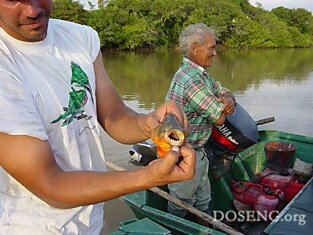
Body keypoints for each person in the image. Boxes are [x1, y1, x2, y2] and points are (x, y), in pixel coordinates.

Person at [0, 1, 196, 234]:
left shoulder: (80, 37)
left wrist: (150, 124)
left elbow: (114, 115)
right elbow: (50, 184)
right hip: (31, 226)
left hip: (90, 216)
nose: (32, 10)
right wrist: (148, 176)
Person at [165, 23, 236, 221]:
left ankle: (204, 229)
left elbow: (223, 89)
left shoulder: (200, 74)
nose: (215, 53)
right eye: (211, 48)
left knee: (204, 199)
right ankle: (175, 229)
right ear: (195, 48)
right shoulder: (191, 79)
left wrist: (229, 98)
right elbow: (219, 117)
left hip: (198, 150)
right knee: (180, 203)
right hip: (182, 151)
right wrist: (225, 102)